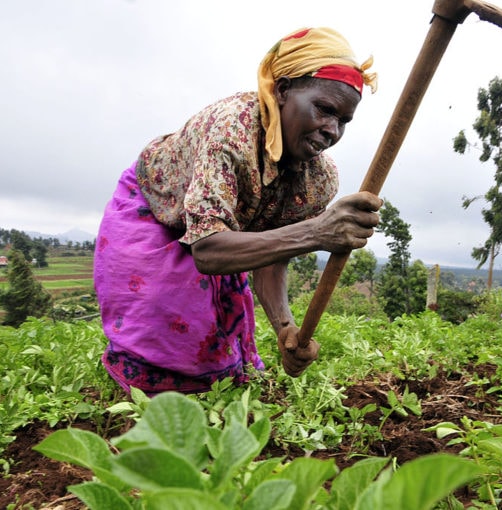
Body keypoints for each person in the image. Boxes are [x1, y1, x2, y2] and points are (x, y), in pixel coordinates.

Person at [94, 27, 382, 395]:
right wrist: (316, 232)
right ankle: (140, 403)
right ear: (282, 91)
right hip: (156, 207)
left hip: (222, 229)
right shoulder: (231, 132)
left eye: (343, 120)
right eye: (324, 110)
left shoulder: (318, 179)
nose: (332, 131)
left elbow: (272, 255)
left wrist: (285, 329)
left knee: (215, 354)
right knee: (163, 321)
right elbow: (209, 250)